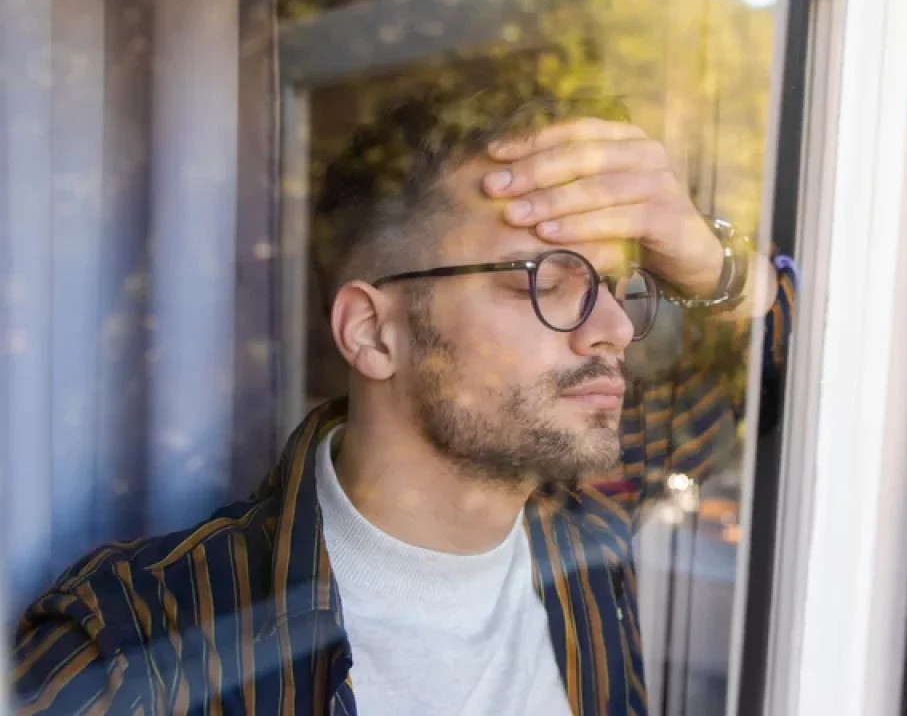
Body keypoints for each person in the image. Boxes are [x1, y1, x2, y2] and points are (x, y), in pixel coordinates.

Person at [10, 86, 796, 715]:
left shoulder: (589, 510)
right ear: (373, 331)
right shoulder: (134, 644)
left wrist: (704, 259)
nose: (616, 328)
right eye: (547, 282)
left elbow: (773, 372)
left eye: (619, 287)